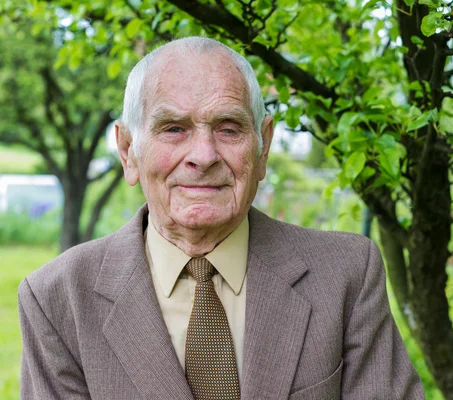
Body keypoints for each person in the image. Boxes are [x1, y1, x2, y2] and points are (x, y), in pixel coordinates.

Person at [18, 37, 425, 400]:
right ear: (128, 151)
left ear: (262, 147)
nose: (204, 155)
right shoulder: (58, 300)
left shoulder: (345, 275)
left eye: (229, 129)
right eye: (174, 128)